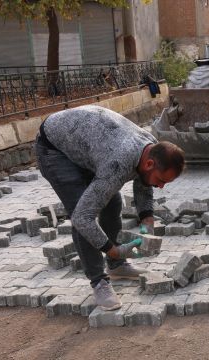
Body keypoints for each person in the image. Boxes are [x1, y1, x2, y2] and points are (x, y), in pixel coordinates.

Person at [35, 105, 185, 311]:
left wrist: (147, 218)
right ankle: (99, 281)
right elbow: (82, 218)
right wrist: (112, 249)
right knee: (82, 210)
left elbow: (144, 182)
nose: (160, 187)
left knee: (113, 202)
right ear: (150, 164)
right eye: (161, 181)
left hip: (89, 144)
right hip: (55, 149)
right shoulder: (119, 162)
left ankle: (117, 267)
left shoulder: (151, 147)